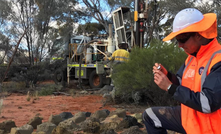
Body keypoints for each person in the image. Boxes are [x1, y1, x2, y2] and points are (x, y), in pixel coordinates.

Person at [142, 8, 221, 134]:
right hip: (190, 119)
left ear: (198, 35)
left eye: (182, 39)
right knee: (150, 115)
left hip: (208, 128)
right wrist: (167, 76)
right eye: (177, 39)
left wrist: (169, 87)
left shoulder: (218, 60)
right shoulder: (191, 57)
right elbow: (181, 81)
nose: (179, 45)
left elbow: (208, 104)